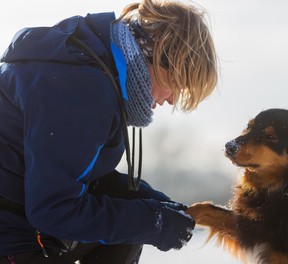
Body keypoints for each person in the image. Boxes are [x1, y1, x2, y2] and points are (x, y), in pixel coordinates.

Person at [0, 0, 218, 263]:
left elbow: (76, 178)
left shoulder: (87, 65)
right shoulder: (84, 90)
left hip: (18, 227)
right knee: (135, 226)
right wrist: (152, 222)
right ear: (160, 57)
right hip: (11, 241)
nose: (172, 99)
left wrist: (154, 204)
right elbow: (54, 209)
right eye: (178, 83)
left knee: (134, 222)